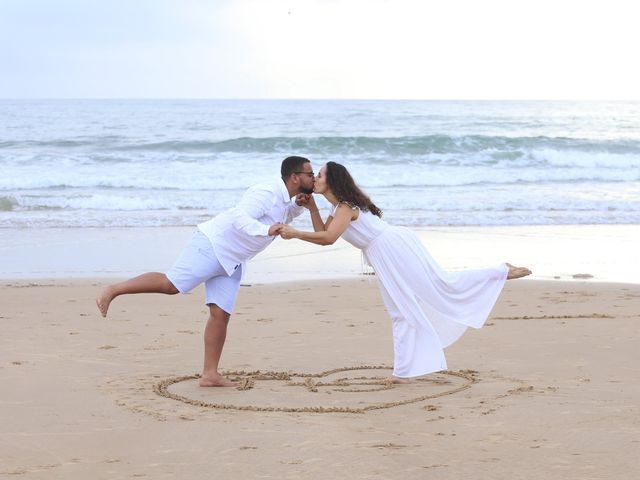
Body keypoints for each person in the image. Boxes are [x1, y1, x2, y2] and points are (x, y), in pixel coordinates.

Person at [279, 161, 531, 383]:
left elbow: (328, 238)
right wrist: (312, 209)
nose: (316, 179)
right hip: (385, 253)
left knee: (438, 284)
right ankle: (403, 371)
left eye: (320, 175)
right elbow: (324, 230)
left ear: (332, 181)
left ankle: (500, 272)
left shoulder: (346, 207)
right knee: (401, 308)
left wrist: (296, 233)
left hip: (393, 248)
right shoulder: (337, 209)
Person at [96, 156, 316, 387]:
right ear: (294, 177)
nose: (313, 178)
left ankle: (209, 375)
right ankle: (113, 289)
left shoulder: (285, 199)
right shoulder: (267, 191)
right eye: (309, 174)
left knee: (220, 315)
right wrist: (265, 229)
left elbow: (280, 215)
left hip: (233, 260)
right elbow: (239, 216)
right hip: (213, 245)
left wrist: (295, 207)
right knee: (171, 285)